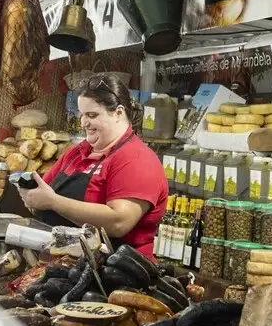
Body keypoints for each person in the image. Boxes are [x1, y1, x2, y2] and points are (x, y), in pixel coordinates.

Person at [19, 74, 168, 257]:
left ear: (118, 113)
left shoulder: (137, 159)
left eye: (92, 115)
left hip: (117, 272)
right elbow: (44, 192)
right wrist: (33, 197)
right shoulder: (78, 152)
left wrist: (53, 202)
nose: (83, 122)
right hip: (67, 265)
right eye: (82, 115)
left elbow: (118, 222)